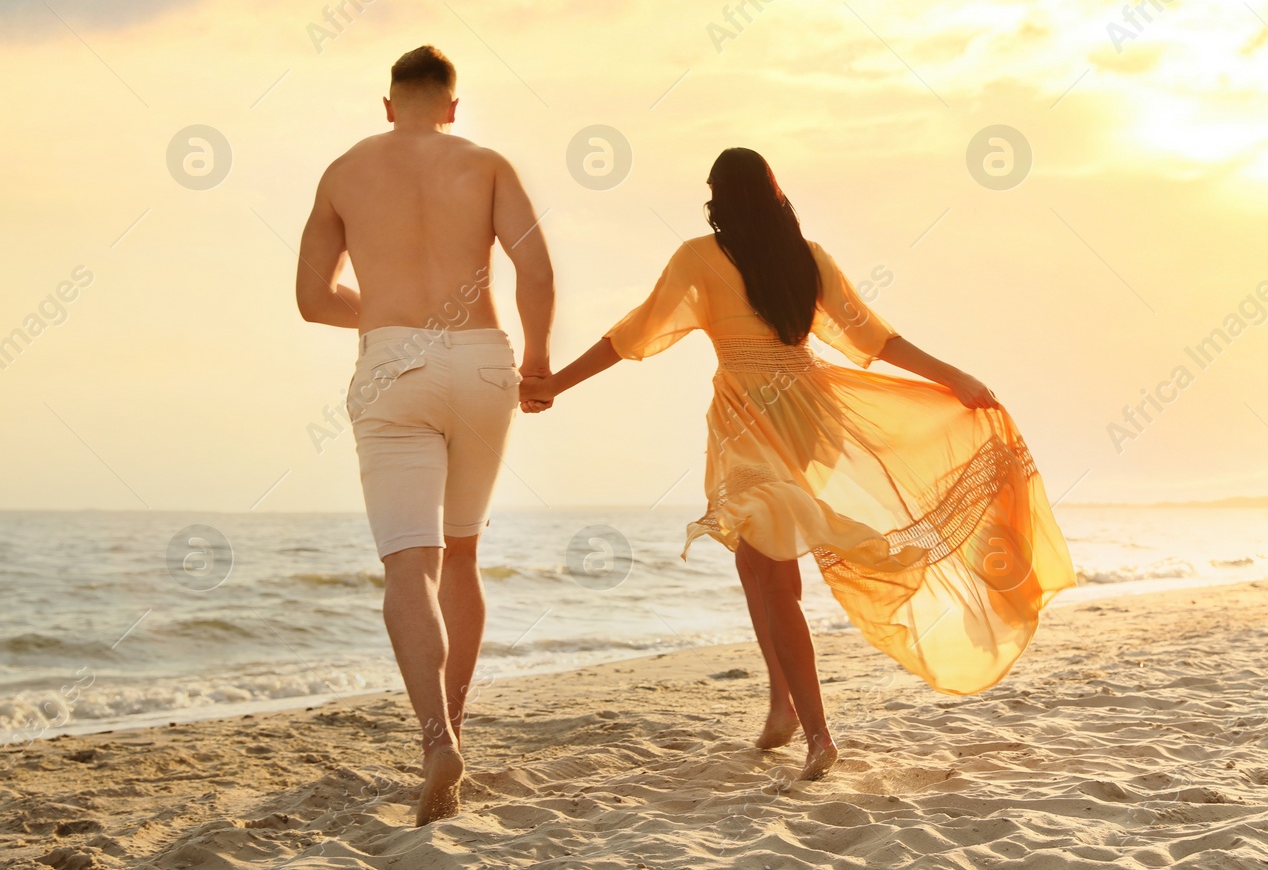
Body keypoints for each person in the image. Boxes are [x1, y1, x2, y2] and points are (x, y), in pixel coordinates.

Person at [522, 147, 1074, 781]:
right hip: (806, 418)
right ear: (774, 190)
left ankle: (817, 733)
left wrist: (556, 383)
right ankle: (782, 704)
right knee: (761, 565)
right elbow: (877, 339)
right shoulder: (805, 256)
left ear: (716, 198)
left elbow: (631, 335)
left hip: (756, 423)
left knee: (766, 562)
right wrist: (953, 374)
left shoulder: (703, 256)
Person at [295, 45, 554, 825]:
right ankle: (459, 721)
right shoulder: (487, 163)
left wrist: (379, 311)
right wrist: (537, 363)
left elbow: (311, 298)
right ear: (450, 105)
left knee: (411, 565)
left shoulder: (344, 170)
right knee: (464, 550)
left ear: (387, 104)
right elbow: (535, 271)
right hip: (480, 360)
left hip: (392, 366)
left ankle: (435, 737)